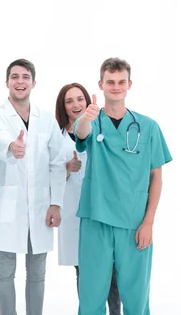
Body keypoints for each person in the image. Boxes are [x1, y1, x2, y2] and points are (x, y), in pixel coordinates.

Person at [74, 58, 172, 314]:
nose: (115, 87)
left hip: (134, 221)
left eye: (120, 82)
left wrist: (148, 221)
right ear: (100, 84)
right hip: (96, 218)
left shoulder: (148, 126)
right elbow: (81, 134)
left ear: (129, 84)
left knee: (137, 297)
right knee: (91, 295)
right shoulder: (91, 120)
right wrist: (86, 117)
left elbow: (156, 177)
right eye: (110, 82)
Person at [0, 59, 66, 315]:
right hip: (9, 207)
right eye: (15, 77)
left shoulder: (46, 119)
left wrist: (56, 203)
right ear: (7, 82)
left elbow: (57, 161)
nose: (20, 81)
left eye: (25, 77)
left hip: (41, 207)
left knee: (38, 274)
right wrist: (11, 146)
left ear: (33, 82)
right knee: (5, 273)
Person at [54, 82, 121, 314]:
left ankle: (115, 311)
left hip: (104, 205)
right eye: (69, 101)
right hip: (74, 208)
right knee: (83, 268)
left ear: (87, 101)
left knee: (112, 265)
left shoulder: (103, 127)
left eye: (79, 99)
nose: (75, 105)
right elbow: (46, 175)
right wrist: (67, 168)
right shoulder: (57, 136)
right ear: (63, 106)